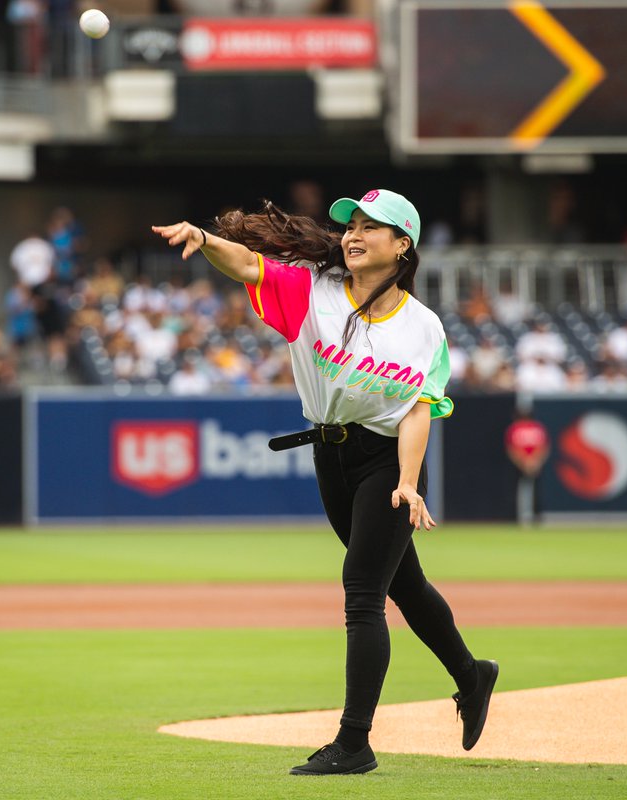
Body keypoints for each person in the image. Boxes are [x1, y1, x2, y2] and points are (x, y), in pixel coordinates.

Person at [152, 189, 498, 776]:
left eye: (371, 226)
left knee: (363, 592)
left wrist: (409, 483)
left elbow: (418, 409)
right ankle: (471, 674)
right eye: (351, 225)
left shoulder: (424, 328)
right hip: (331, 456)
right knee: (404, 585)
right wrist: (205, 239)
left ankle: (355, 741)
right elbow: (247, 264)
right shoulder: (313, 291)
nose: (354, 234)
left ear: (402, 245)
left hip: (386, 460)